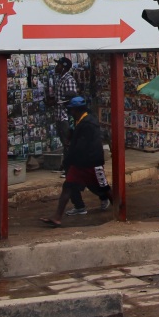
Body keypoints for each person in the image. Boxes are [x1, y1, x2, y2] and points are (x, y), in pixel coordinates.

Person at [40, 97, 111, 226]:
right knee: (67, 186)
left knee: (103, 188)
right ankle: (57, 217)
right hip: (80, 164)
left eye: (71, 110)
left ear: (76, 110)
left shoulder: (88, 123)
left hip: (92, 163)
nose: (70, 113)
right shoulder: (81, 120)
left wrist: (68, 159)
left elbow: (81, 146)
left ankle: (121, 209)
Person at [48, 57, 78, 150]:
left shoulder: (69, 80)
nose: (56, 67)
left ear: (63, 67)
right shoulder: (60, 79)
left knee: (68, 142)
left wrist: (54, 102)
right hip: (59, 116)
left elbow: (70, 99)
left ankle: (71, 162)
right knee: (64, 142)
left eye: (58, 65)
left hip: (65, 116)